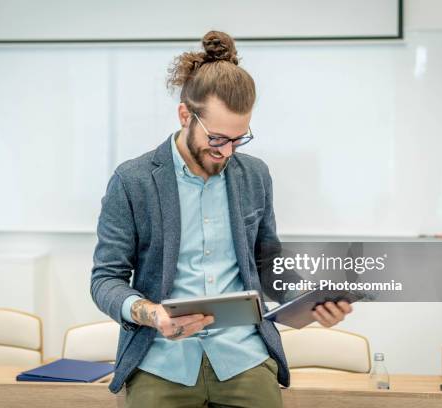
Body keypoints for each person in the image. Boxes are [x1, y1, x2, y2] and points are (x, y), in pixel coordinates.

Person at [91, 30, 353, 407]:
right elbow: (106, 279)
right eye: (216, 139)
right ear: (185, 115)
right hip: (161, 362)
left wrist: (308, 303)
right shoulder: (132, 181)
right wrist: (151, 314)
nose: (227, 152)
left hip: (243, 358)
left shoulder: (255, 176)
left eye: (239, 139)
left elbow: (268, 264)